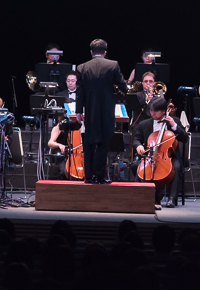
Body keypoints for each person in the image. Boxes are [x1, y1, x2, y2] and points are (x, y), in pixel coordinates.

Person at [76, 38, 127, 183]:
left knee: (89, 141)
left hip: (90, 109)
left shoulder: (81, 67)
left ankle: (88, 176)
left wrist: (79, 111)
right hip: (107, 109)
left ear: (91, 52)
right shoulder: (113, 64)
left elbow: (80, 92)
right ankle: (100, 175)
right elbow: (122, 86)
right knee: (104, 142)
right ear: (105, 52)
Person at [133, 96, 188, 209]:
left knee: (176, 167)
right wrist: (138, 145)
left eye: (155, 111)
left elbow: (185, 138)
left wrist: (174, 125)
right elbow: (136, 139)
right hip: (150, 156)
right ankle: (151, 196)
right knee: (135, 166)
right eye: (151, 110)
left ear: (164, 111)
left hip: (169, 156)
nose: (152, 113)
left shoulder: (174, 121)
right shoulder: (144, 124)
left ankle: (172, 198)